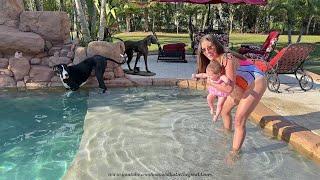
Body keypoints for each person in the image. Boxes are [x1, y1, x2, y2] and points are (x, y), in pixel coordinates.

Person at [196, 34, 267, 162]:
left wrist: (210, 82)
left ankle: (235, 153)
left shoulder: (227, 58)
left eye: (210, 47)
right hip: (241, 83)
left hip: (256, 81)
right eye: (204, 50)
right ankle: (227, 133)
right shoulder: (214, 61)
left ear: (216, 45)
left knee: (239, 119)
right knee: (224, 111)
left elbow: (228, 89)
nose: (207, 52)